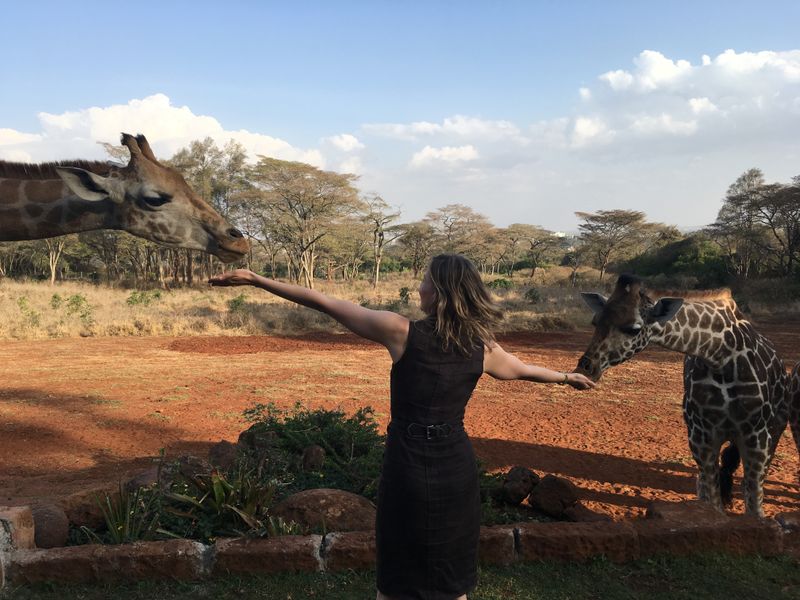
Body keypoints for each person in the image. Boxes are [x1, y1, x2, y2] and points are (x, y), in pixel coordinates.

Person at [209, 254, 594, 600]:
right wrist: (564, 377)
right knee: (450, 569)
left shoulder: (402, 332)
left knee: (398, 569)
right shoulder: (482, 347)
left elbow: (327, 303)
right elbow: (524, 371)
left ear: (439, 291)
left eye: (426, 280)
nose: (420, 287)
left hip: (409, 461)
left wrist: (259, 280)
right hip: (454, 464)